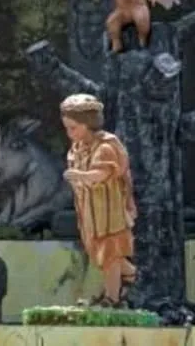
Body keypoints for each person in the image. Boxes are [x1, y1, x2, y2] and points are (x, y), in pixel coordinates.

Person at [60, 93, 137, 307]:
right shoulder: (76, 149)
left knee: (111, 254)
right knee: (99, 254)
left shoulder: (105, 146)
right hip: (90, 215)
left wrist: (80, 176)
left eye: (73, 128)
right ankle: (130, 275)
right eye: (67, 128)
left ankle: (111, 298)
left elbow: (102, 174)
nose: (69, 133)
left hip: (110, 214)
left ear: (88, 124)